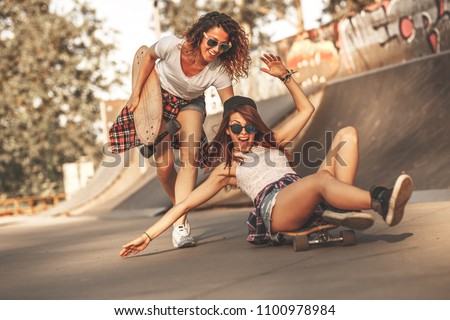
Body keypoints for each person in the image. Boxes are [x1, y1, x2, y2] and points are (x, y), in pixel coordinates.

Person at [119, 53, 413, 257]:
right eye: (236, 128)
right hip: (277, 210)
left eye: (248, 126)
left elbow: (306, 110)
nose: (244, 133)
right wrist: (147, 236)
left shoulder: (272, 142)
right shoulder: (226, 169)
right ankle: (381, 200)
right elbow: (182, 205)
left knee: (346, 134)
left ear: (255, 126)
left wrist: (285, 77)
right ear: (228, 131)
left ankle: (343, 209)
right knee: (316, 182)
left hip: (301, 193)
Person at [122, 12, 251, 248]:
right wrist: (136, 92)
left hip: (190, 103)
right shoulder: (172, 46)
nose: (215, 49)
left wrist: (242, 130)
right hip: (157, 99)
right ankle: (179, 207)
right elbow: (148, 56)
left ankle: (179, 225)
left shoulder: (218, 70)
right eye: (212, 42)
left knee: (190, 157)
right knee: (164, 167)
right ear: (200, 35)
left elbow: (230, 106)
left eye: (223, 45)